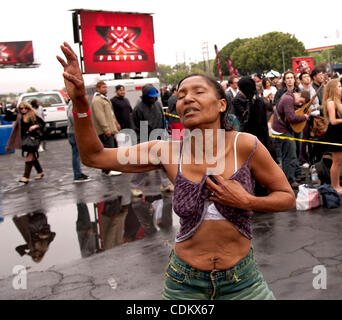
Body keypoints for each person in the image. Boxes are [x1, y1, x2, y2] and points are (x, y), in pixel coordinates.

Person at [57, 42, 295, 300]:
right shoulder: (166, 151)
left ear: (221, 105)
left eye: (198, 92)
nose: (187, 98)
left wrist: (248, 201)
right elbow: (94, 156)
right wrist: (80, 102)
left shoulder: (246, 145)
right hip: (185, 284)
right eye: (181, 96)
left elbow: (286, 197)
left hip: (243, 282)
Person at [271, 90, 310, 188]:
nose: (300, 104)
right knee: (291, 156)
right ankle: (290, 181)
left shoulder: (289, 97)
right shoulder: (288, 99)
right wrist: (304, 117)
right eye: (301, 101)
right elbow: (291, 118)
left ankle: (288, 178)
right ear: (299, 94)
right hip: (282, 130)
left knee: (286, 156)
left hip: (281, 130)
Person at [6, 101, 45, 184]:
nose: (23, 110)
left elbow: (42, 124)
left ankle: (25, 177)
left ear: (28, 108)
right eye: (21, 108)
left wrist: (35, 126)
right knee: (32, 156)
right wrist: (10, 111)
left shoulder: (33, 114)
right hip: (25, 139)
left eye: (25, 108)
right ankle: (40, 171)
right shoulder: (19, 116)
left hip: (34, 138)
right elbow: (7, 118)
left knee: (29, 156)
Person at [91, 81, 121, 176]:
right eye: (103, 87)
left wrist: (116, 123)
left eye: (106, 87)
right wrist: (106, 128)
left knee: (112, 149)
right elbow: (100, 116)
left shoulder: (104, 99)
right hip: (104, 130)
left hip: (111, 128)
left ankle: (110, 168)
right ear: (98, 89)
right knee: (107, 150)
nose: (105, 89)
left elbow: (111, 113)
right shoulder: (97, 100)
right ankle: (107, 170)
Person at [322, 79, 342, 194]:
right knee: (336, 161)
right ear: (333, 88)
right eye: (339, 86)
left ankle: (337, 184)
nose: (341, 88)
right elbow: (333, 121)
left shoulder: (338, 101)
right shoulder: (331, 102)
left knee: (339, 161)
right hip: (335, 134)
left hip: (339, 133)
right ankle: (335, 186)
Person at [67, 101, 92, 183]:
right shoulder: (74, 103)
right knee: (76, 154)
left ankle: (78, 173)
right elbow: (72, 116)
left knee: (77, 154)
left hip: (74, 132)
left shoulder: (73, 103)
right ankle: (77, 175)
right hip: (74, 133)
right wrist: (81, 122)